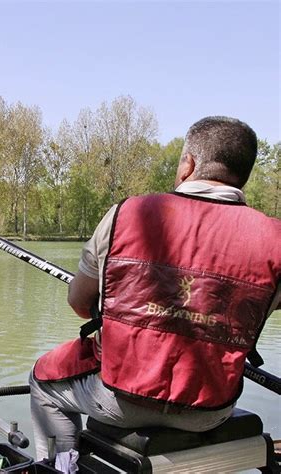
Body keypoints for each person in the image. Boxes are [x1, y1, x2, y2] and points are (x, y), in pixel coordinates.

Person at [29, 116, 281, 460]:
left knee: (43, 380)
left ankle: (60, 467)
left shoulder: (128, 213)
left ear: (188, 164)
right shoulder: (275, 240)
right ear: (244, 174)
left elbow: (79, 302)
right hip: (210, 410)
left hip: (121, 397)